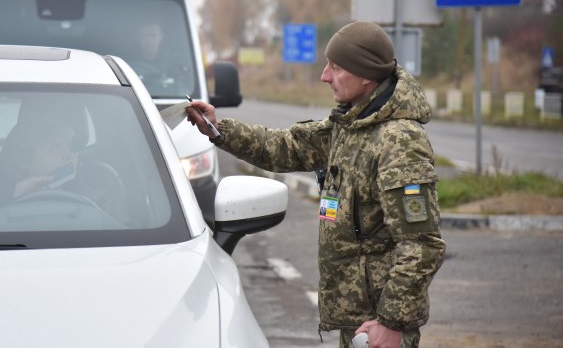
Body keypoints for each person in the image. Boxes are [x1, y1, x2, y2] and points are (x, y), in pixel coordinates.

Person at [186, 21, 446, 348]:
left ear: (365, 74)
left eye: (335, 67)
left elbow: (421, 244)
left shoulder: (399, 141)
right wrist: (217, 128)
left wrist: (392, 322)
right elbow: (285, 147)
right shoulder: (351, 124)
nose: (325, 76)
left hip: (379, 325)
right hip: (359, 320)